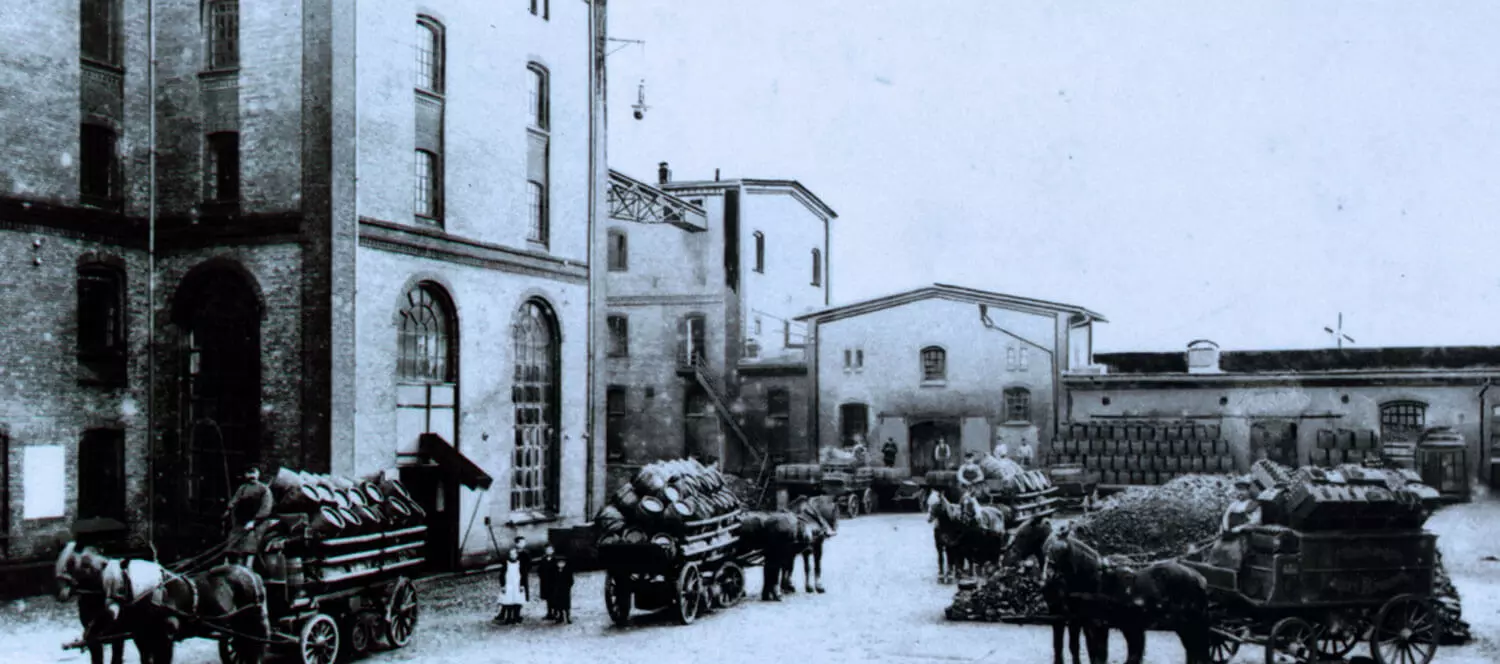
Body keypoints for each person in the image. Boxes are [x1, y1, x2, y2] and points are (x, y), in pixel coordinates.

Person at [224, 467, 273, 568]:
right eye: (249, 473)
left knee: (250, 544)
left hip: (258, 523)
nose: (251, 477)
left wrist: (254, 522)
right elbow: (235, 500)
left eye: (253, 474)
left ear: (257, 475)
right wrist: (228, 509)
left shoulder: (264, 489)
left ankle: (248, 568)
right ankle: (233, 566)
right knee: (233, 542)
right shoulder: (243, 488)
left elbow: (266, 508)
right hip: (241, 520)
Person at [1208, 476, 1262, 569]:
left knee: (1234, 554)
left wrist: (1239, 528)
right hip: (1228, 534)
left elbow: (1255, 523)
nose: (1240, 492)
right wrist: (1224, 528)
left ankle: (1234, 574)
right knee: (1216, 550)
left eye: (1243, 490)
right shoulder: (1234, 504)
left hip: (1241, 536)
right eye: (1238, 490)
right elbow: (1226, 516)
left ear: (1248, 491)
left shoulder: (1253, 505)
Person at [493, 548, 526, 625]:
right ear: (509, 555)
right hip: (509, 585)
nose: (513, 556)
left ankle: (516, 617)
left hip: (517, 585)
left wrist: (521, 585)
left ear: (517, 555)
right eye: (511, 554)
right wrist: (503, 586)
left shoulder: (520, 563)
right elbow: (501, 575)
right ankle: (508, 618)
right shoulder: (506, 564)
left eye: (514, 554)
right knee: (508, 601)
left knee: (517, 601)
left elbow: (523, 575)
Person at [549, 550, 575, 624]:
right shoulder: (554, 571)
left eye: (562, 563)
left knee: (566, 606)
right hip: (557, 591)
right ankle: (560, 617)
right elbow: (552, 580)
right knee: (558, 605)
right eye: (559, 563)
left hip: (565, 591)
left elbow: (571, 580)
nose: (561, 564)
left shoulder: (568, 571)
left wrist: (568, 586)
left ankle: (567, 617)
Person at [537, 544, 557, 621]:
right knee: (548, 598)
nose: (548, 551)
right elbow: (540, 570)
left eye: (550, 549)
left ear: (553, 551)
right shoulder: (543, 559)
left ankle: (555, 612)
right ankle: (549, 613)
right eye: (547, 550)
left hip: (553, 582)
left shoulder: (555, 560)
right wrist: (542, 576)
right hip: (545, 582)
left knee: (554, 597)